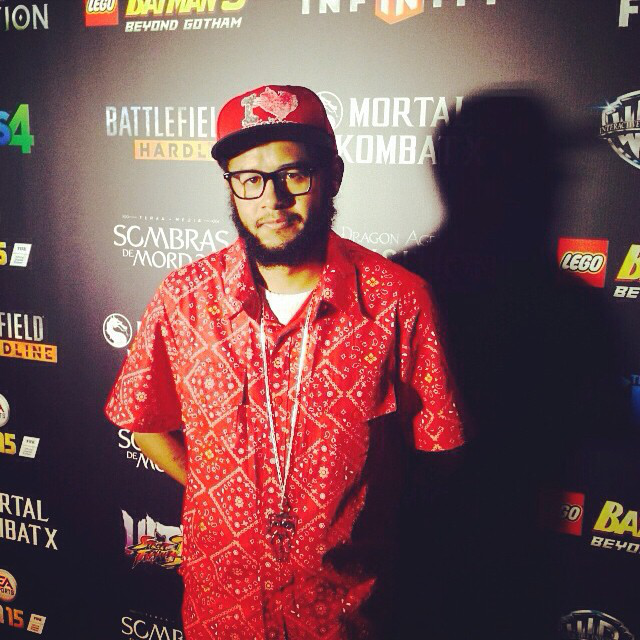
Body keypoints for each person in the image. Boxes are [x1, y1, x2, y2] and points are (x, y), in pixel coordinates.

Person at [105, 84, 464, 640]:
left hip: (345, 615)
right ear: (231, 187)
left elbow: (438, 452)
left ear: (333, 176)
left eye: (293, 174)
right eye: (249, 179)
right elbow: (142, 419)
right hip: (221, 610)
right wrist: (216, 490)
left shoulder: (397, 300)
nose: (272, 200)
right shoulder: (183, 298)